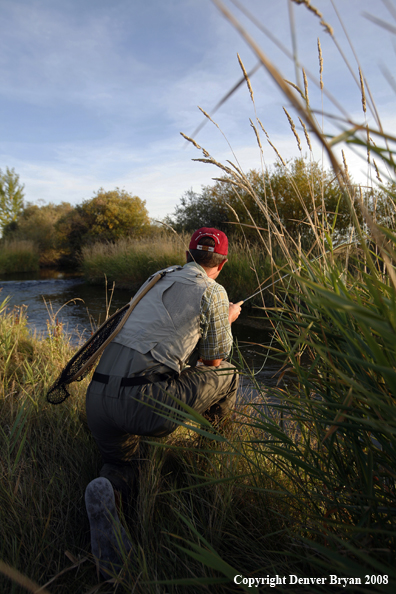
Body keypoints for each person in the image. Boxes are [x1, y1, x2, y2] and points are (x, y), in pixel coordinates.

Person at [84, 227, 242, 576]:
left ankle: (110, 488)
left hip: (96, 399)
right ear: (223, 263)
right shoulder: (213, 291)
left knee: (127, 462)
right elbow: (212, 362)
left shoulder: (155, 277)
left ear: (187, 255)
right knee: (229, 375)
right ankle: (212, 458)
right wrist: (226, 318)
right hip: (142, 404)